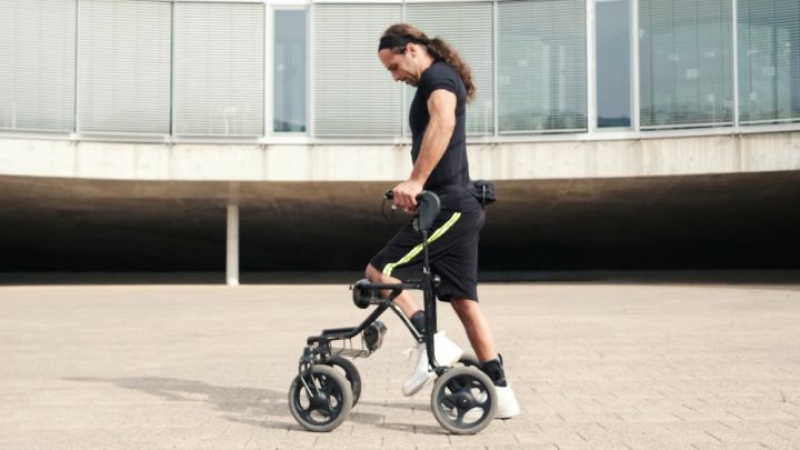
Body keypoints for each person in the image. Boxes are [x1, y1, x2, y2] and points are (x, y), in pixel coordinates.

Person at [367, 23, 519, 419]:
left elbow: (444, 123)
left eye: (394, 66)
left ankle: (430, 339)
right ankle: (501, 394)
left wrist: (416, 181)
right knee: (465, 303)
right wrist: (421, 193)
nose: (395, 76)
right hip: (456, 205)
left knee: (380, 272)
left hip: (452, 207)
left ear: (412, 49)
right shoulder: (437, 79)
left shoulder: (438, 78)